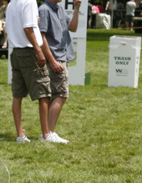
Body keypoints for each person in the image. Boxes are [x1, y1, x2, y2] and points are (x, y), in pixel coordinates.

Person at [5, 0, 50, 143]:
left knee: (17, 95)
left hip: (16, 52)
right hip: (29, 52)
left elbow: (18, 26)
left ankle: (20, 135)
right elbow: (28, 29)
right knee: (44, 93)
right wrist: (39, 51)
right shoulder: (30, 1)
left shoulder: (12, 3)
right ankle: (46, 134)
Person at [38, 0, 80, 143]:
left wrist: (76, 9)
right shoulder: (44, 10)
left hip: (62, 57)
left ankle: (47, 133)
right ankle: (49, 133)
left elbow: (72, 28)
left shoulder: (59, 9)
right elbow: (41, 37)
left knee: (53, 96)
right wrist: (53, 60)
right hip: (56, 59)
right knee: (61, 94)